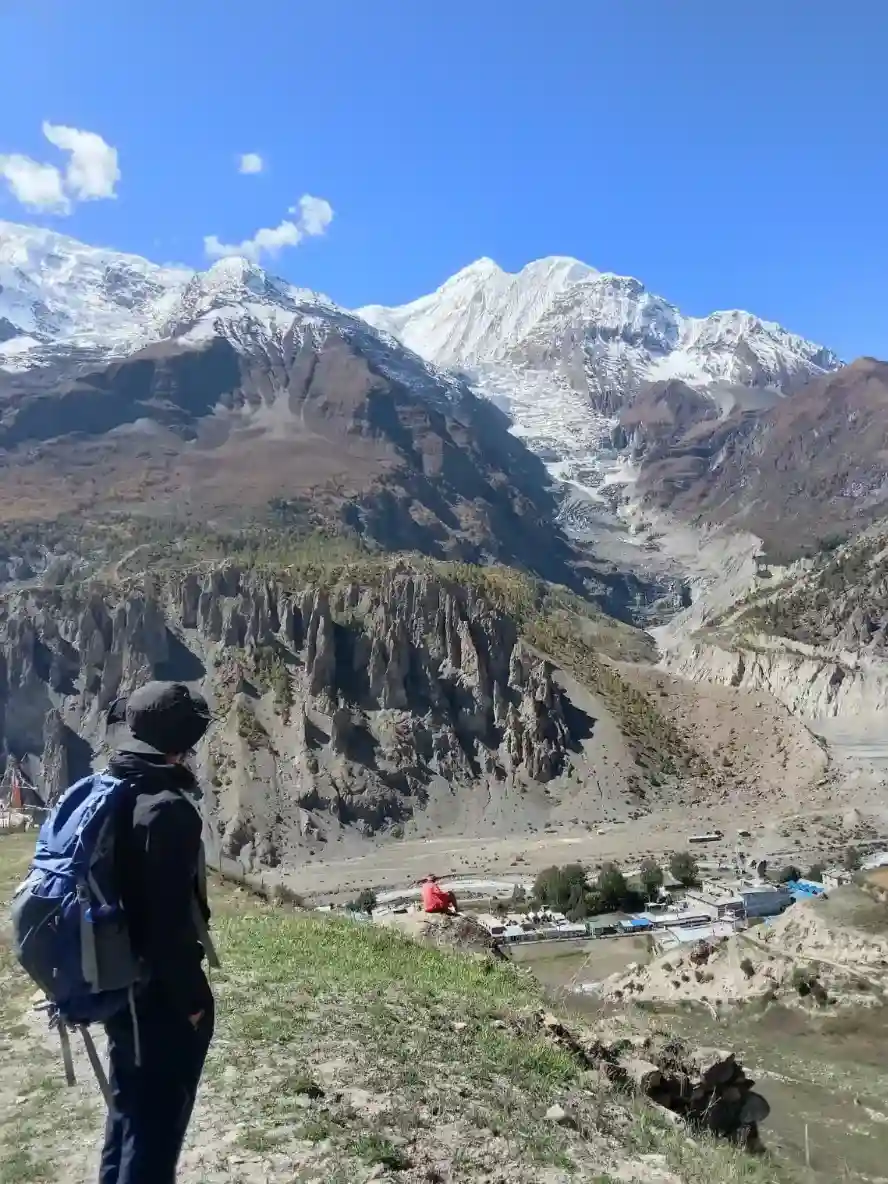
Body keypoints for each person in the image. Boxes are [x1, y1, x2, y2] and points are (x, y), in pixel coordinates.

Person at [100, 681, 215, 1184]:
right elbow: (166, 925)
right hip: (157, 995)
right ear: (179, 744)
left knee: (129, 1112)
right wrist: (192, 1000)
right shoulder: (166, 809)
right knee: (156, 1128)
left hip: (120, 980)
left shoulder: (117, 790)